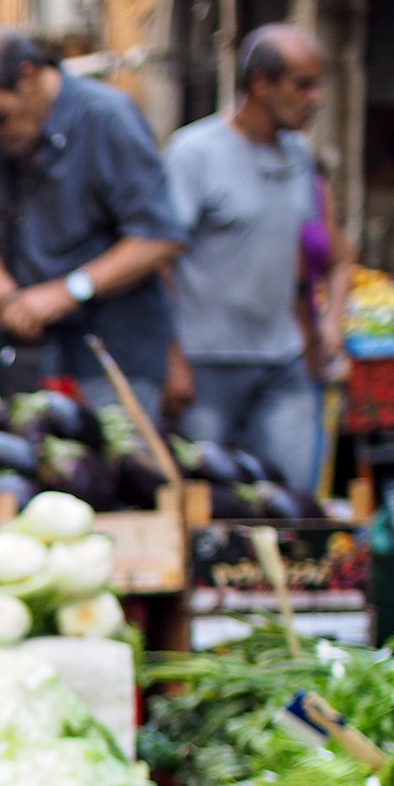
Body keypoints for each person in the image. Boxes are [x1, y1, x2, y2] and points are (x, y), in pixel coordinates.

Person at [0, 25, 186, 417]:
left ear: (29, 77)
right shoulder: (0, 134)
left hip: (111, 356)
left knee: (114, 473)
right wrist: (5, 298)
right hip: (31, 359)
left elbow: (157, 236)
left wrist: (67, 291)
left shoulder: (107, 116)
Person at [164, 25, 332, 491]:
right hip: (206, 365)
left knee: (293, 499)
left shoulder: (297, 154)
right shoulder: (193, 153)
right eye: (303, 85)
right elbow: (159, 258)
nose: (315, 98)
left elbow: (296, 248)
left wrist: (313, 333)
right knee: (208, 506)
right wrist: (172, 358)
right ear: (261, 84)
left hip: (282, 360)